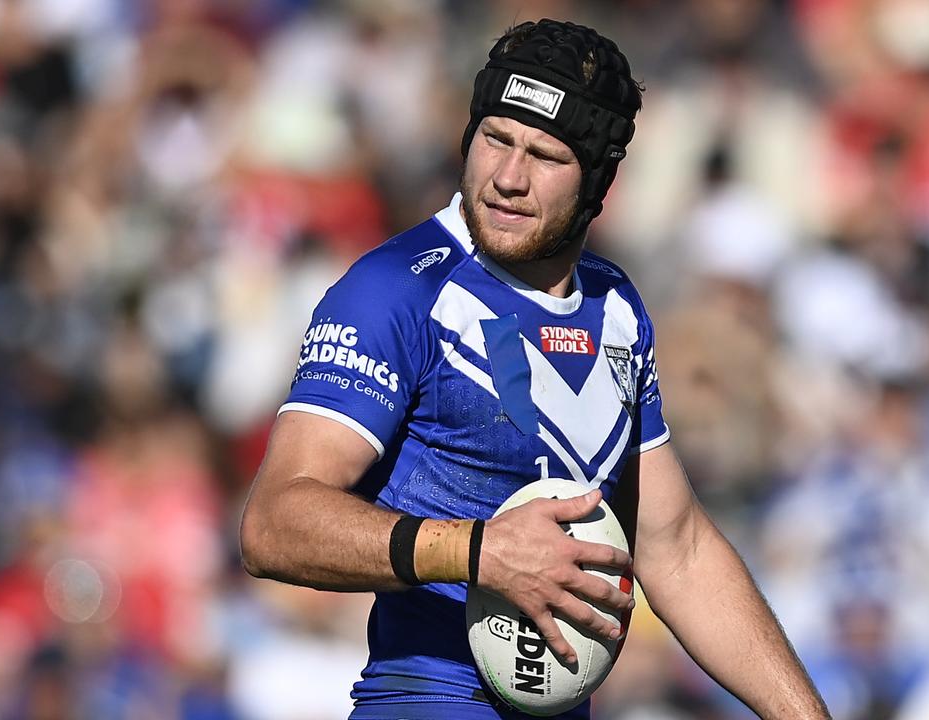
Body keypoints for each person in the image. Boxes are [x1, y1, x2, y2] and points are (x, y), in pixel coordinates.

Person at [239, 18, 830, 720]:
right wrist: (478, 551)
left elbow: (678, 549)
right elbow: (272, 524)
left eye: (546, 156)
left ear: (598, 182)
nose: (509, 179)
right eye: (495, 139)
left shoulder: (616, 309)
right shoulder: (397, 288)